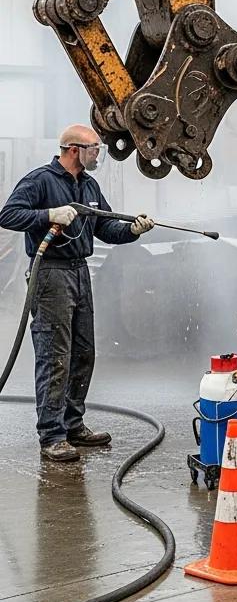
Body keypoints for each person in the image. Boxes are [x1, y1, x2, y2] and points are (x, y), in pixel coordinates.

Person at [0, 125, 155, 462]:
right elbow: (8, 214)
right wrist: (48, 215)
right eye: (94, 149)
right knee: (54, 357)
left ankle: (73, 425)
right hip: (50, 274)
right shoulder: (40, 180)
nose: (98, 154)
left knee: (83, 353)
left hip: (80, 273)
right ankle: (52, 436)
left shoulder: (89, 184)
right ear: (73, 149)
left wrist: (132, 229)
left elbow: (105, 227)